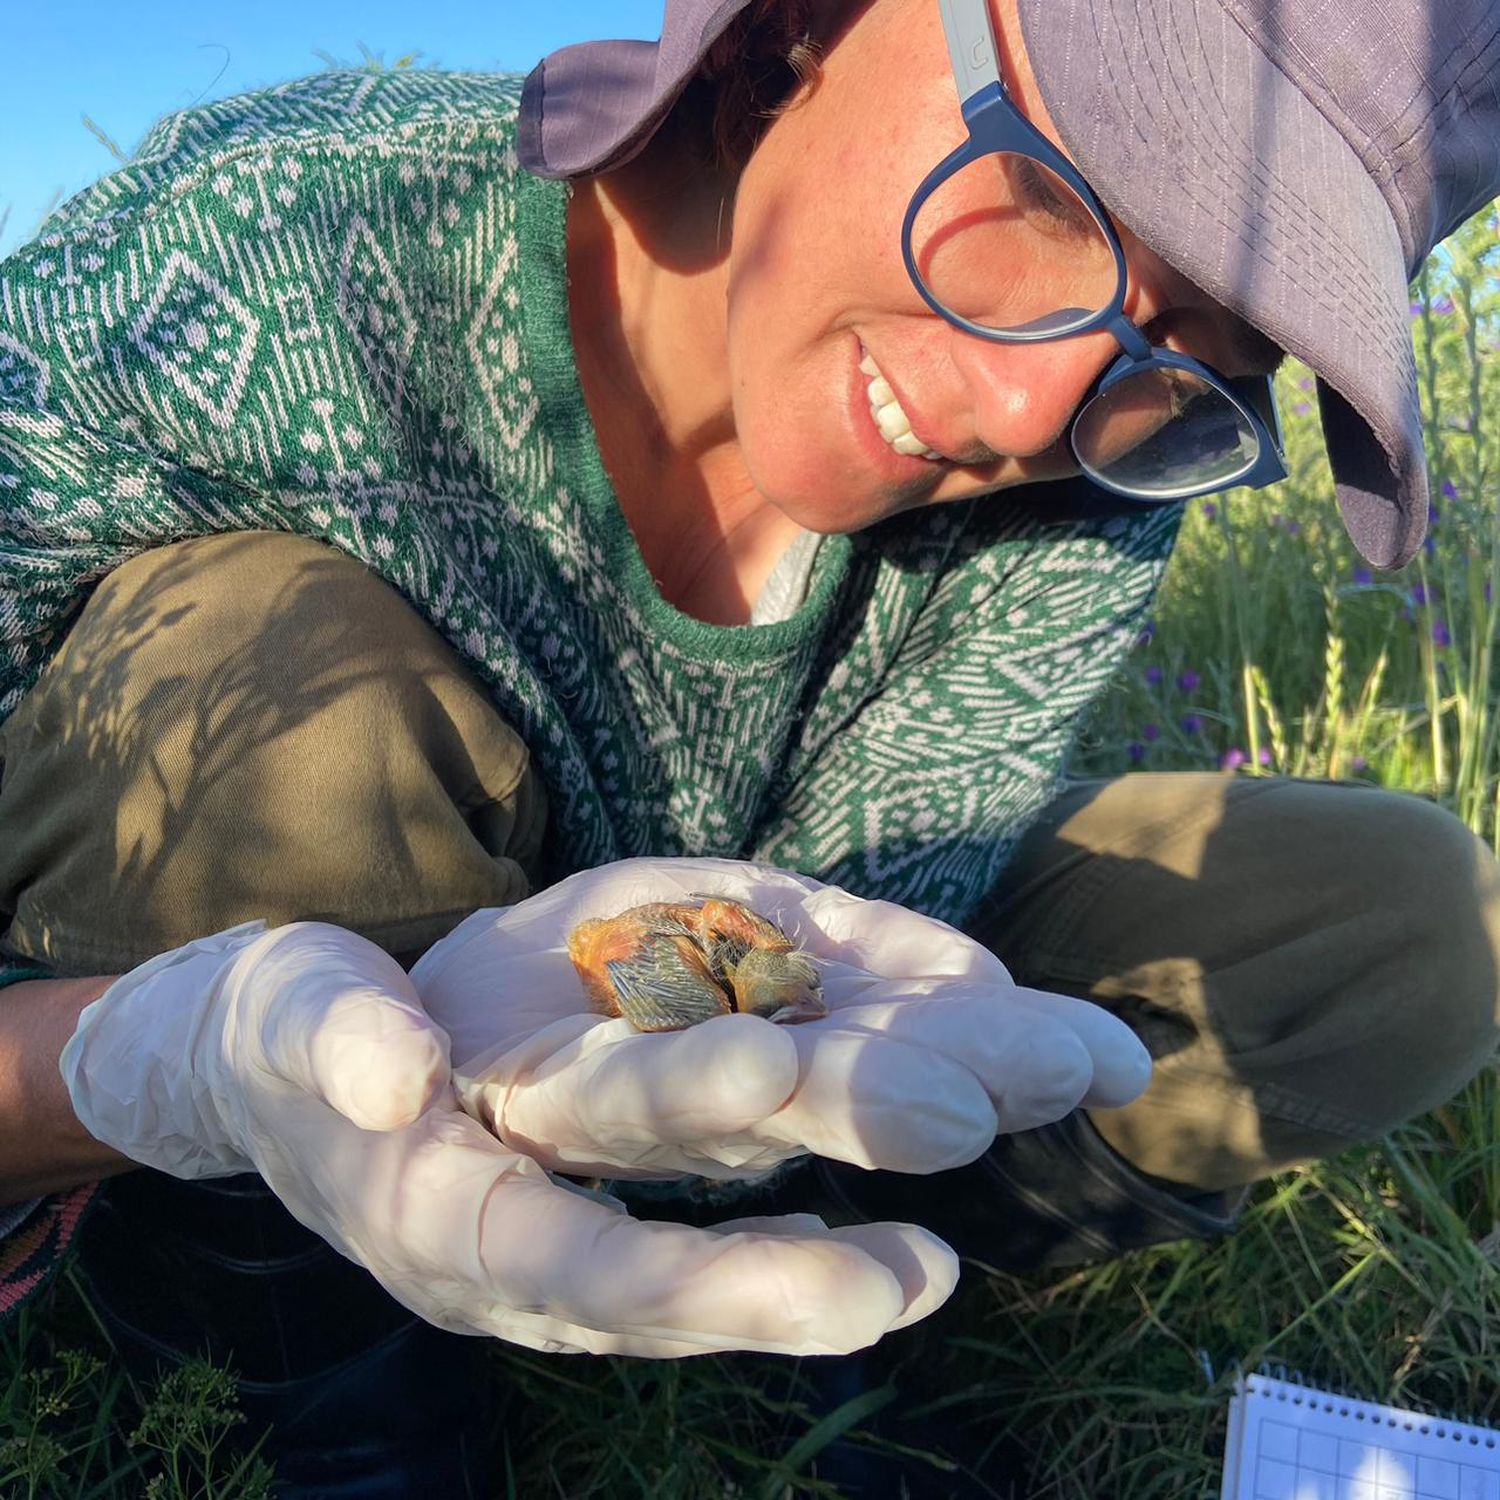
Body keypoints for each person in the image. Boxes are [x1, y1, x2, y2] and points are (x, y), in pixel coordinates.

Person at [0, 0, 1496, 1492]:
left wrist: (758, 1110)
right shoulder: (270, 251)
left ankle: (810, 1292)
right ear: (794, 26)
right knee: (282, 683)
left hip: (665, 1020)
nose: (1039, 399)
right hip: (247, 1017)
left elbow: (906, 884)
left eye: (1198, 346)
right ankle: (308, 1385)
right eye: (1049, 189)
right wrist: (154, 1062)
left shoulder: (1106, 461)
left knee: (1415, 919)